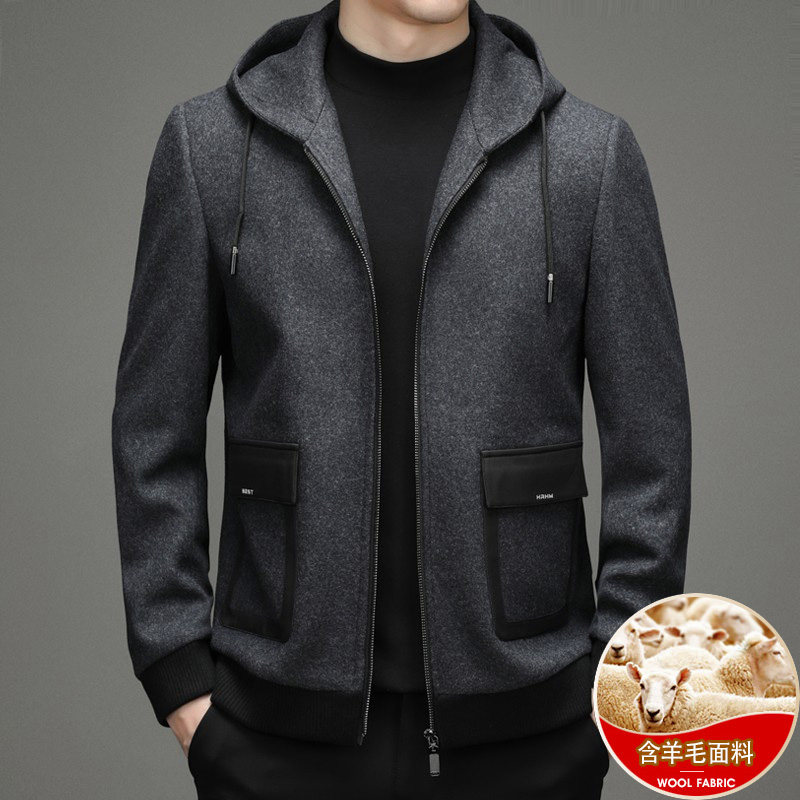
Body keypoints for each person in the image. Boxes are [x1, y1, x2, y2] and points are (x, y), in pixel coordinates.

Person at [111, 0, 691, 797]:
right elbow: (153, 432)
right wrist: (181, 681)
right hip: (271, 732)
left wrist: (620, 686)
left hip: (535, 734)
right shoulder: (211, 145)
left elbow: (653, 449)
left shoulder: (588, 155)